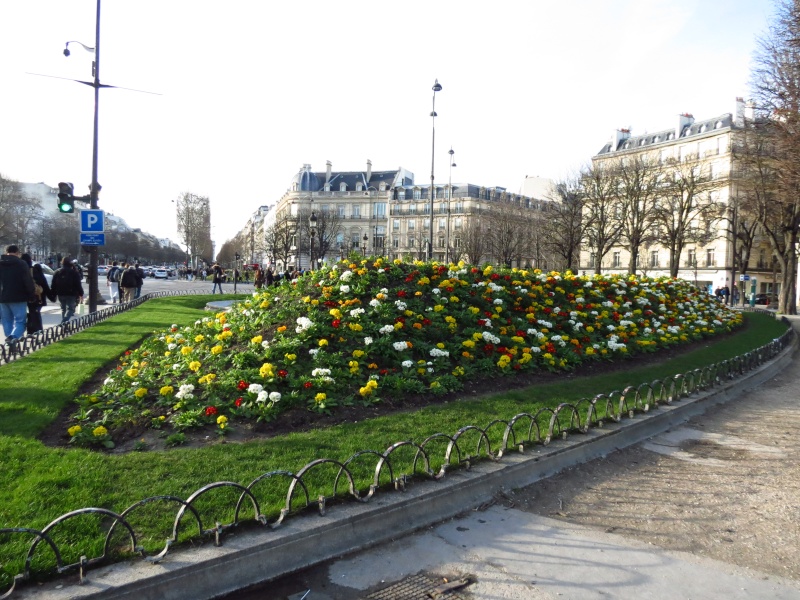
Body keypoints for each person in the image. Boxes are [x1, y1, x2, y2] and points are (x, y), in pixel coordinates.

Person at [0, 245, 36, 344]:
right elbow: (28, 281)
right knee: (20, 321)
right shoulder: (21, 264)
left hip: (2, 297)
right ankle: (13, 337)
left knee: (6, 320)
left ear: (6, 251)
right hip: (19, 296)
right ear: (17, 252)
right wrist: (31, 294)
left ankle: (9, 340)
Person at [21, 253, 52, 334]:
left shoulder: (21, 270)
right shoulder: (35, 270)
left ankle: (31, 329)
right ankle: (36, 329)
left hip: (24, 295)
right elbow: (44, 284)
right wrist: (51, 295)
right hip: (37, 296)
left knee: (30, 313)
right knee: (35, 313)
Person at [50, 256, 84, 325]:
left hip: (60, 292)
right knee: (71, 308)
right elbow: (78, 284)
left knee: (63, 308)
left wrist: (53, 293)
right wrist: (81, 293)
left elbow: (53, 283)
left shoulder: (57, 272)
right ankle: (64, 322)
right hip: (71, 293)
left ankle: (64, 324)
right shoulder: (74, 272)